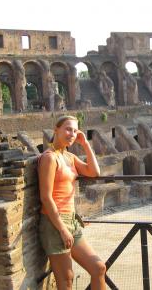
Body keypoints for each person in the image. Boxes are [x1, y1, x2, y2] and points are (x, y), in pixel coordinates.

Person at [38, 115, 106, 290]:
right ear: (56, 130)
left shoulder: (69, 157)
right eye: (68, 129)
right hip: (54, 223)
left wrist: (85, 144)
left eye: (75, 131)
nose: (72, 134)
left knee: (98, 268)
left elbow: (94, 172)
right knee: (66, 280)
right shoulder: (49, 158)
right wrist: (61, 229)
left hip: (72, 221)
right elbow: (46, 197)